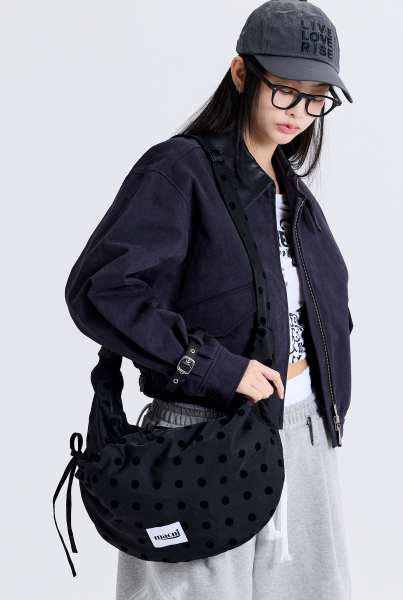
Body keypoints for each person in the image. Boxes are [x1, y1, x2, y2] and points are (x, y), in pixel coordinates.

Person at [65, 1, 355, 598]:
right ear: (241, 73)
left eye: (315, 98)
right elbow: (101, 290)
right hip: (201, 444)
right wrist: (218, 368)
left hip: (302, 439)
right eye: (285, 90)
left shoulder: (295, 196)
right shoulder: (182, 171)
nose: (299, 113)